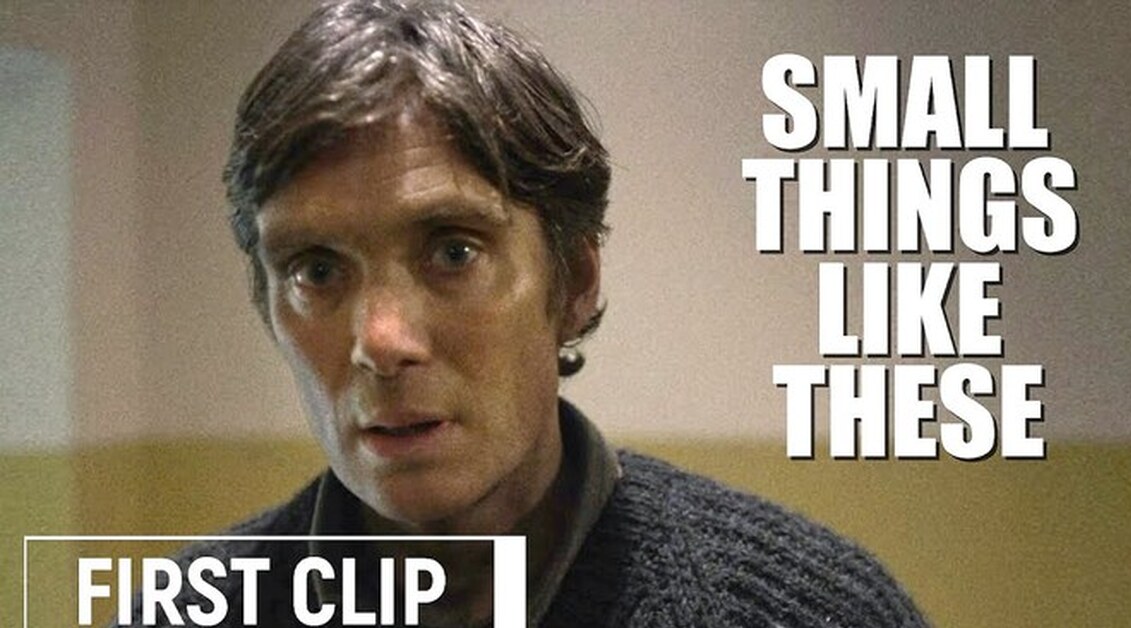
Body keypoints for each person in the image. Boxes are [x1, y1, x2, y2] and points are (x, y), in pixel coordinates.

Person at [127, 1, 927, 626]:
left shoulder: (810, 613)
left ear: (573, 282)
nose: (381, 341)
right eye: (317, 271)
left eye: (453, 252)